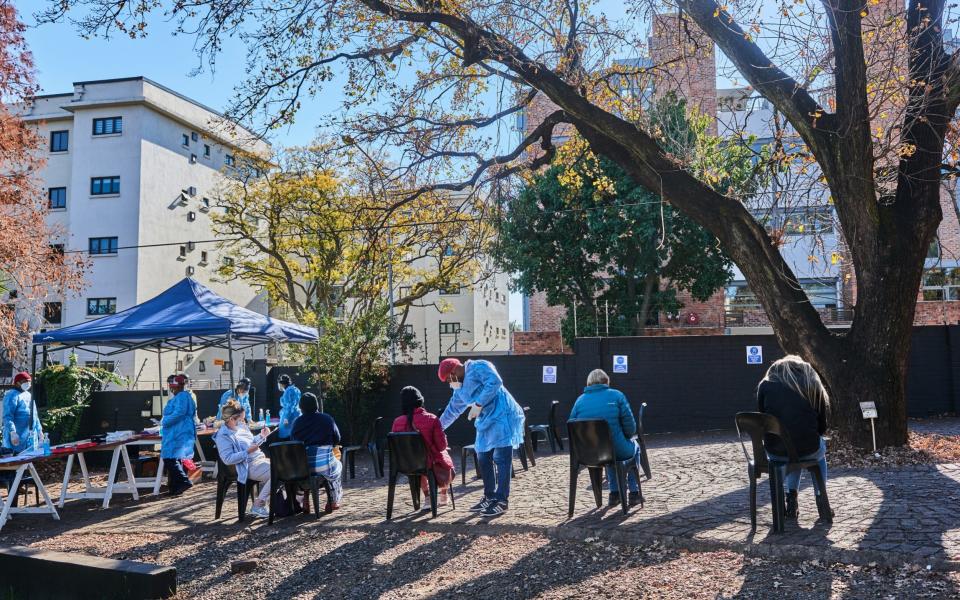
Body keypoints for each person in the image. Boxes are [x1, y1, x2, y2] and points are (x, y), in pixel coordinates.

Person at [437, 358, 524, 517]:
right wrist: (436, 427)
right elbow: (452, 410)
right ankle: (489, 496)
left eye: (449, 379)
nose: (450, 383)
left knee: (502, 458)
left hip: (502, 414)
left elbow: (495, 381)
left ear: (454, 370)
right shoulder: (459, 390)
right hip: (486, 420)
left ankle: (502, 500)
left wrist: (478, 404)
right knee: (483, 456)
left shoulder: (479, 367)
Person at [757, 355, 830, 519]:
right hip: (809, 449)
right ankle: (822, 500)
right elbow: (822, 426)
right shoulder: (812, 384)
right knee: (817, 454)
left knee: (790, 451)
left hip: (776, 450)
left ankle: (791, 500)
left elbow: (763, 418)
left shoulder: (765, 386)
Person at [570, 369, 642, 507]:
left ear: (589, 383)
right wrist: (627, 437)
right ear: (606, 381)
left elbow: (572, 424)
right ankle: (634, 493)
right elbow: (630, 428)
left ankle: (614, 494)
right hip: (616, 449)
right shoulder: (617, 395)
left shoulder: (579, 401)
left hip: (589, 454)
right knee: (633, 447)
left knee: (606, 450)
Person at [391, 386, 454, 510]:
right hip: (429, 463)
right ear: (420, 401)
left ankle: (427, 497)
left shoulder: (397, 422)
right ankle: (443, 494)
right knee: (444, 456)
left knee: (419, 463)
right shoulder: (431, 419)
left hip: (406, 464)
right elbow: (441, 446)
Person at [214, 400, 272, 518]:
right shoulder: (223, 435)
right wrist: (247, 452)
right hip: (247, 465)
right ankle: (258, 504)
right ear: (231, 419)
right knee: (278, 471)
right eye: (241, 419)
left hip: (259, 459)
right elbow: (227, 459)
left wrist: (262, 436)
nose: (243, 421)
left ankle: (287, 502)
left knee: (285, 468)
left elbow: (251, 442)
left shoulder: (241, 426)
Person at [291, 392, 343, 512]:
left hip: (303, 468)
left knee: (307, 467)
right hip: (324, 466)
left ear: (301, 407)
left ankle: (305, 500)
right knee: (338, 465)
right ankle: (333, 501)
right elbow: (337, 439)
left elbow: (292, 443)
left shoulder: (297, 422)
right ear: (316, 405)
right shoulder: (327, 419)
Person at [161, 374, 199, 496]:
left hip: (178, 431)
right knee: (176, 458)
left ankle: (183, 481)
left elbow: (179, 413)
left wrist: (165, 422)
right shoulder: (187, 396)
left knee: (169, 458)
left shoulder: (181, 397)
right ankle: (175, 487)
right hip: (182, 430)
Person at [2, 372, 43, 454]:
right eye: (25, 381)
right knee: (14, 461)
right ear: (17, 383)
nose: (28, 384)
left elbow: (34, 414)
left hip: (30, 435)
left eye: (29, 381)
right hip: (16, 435)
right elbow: (7, 416)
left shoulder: (28, 395)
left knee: (29, 459)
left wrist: (39, 430)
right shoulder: (11, 395)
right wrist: (12, 432)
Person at [277, 374, 301, 440]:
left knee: (287, 436)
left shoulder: (288, 391)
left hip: (289, 416)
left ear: (282, 383)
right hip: (297, 414)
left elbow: (289, 407)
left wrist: (286, 418)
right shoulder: (296, 389)